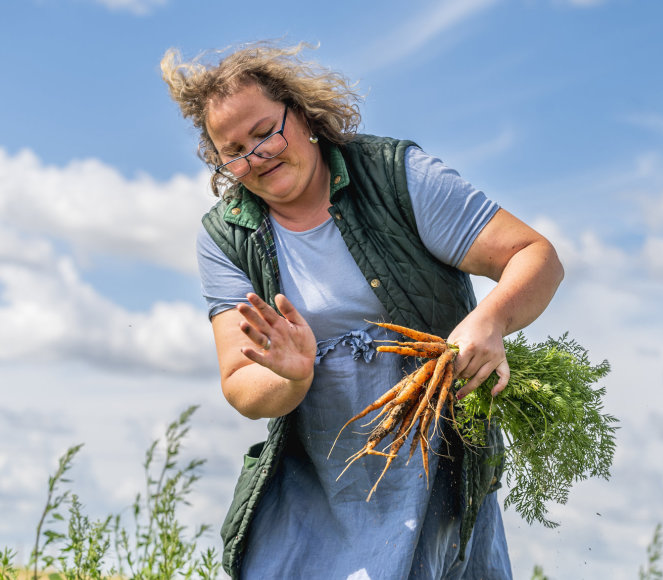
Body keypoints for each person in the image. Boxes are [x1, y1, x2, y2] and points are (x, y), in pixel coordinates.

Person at [161, 41, 564, 580]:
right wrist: (292, 376)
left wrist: (487, 322)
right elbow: (240, 381)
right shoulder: (227, 235)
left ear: (302, 114)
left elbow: (536, 256)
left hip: (429, 451)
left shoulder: (395, 176)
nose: (255, 157)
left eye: (264, 132)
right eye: (232, 150)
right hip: (315, 469)